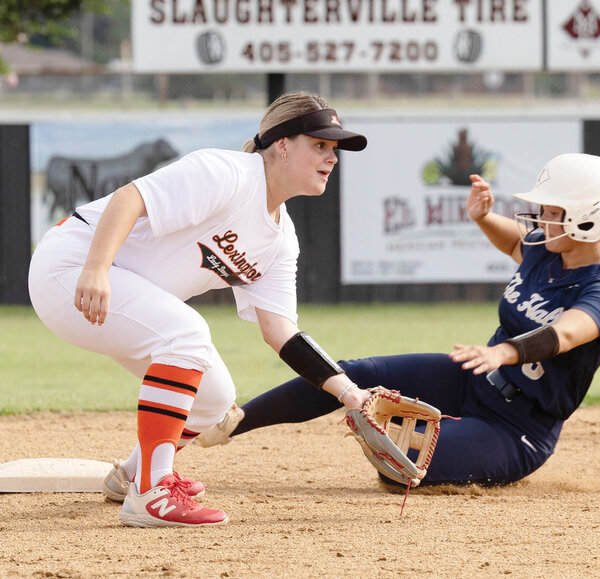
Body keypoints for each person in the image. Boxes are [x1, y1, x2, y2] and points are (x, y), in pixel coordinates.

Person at [27, 91, 376, 527]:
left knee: (214, 399)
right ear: (282, 144)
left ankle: (133, 474)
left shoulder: (281, 240)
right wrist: (96, 268)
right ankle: (153, 493)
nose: (332, 157)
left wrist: (351, 394)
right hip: (71, 267)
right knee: (187, 334)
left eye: (334, 149)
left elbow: (280, 331)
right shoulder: (228, 173)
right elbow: (128, 198)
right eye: (319, 145)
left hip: (119, 291)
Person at [196, 153, 600, 487]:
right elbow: (517, 244)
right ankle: (234, 422)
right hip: (473, 379)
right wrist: (481, 218)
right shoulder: (547, 248)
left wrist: (503, 351)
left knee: (401, 465)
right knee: (353, 376)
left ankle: (421, 437)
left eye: (553, 212)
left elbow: (569, 333)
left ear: (588, 219)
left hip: (518, 427)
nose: (541, 219)